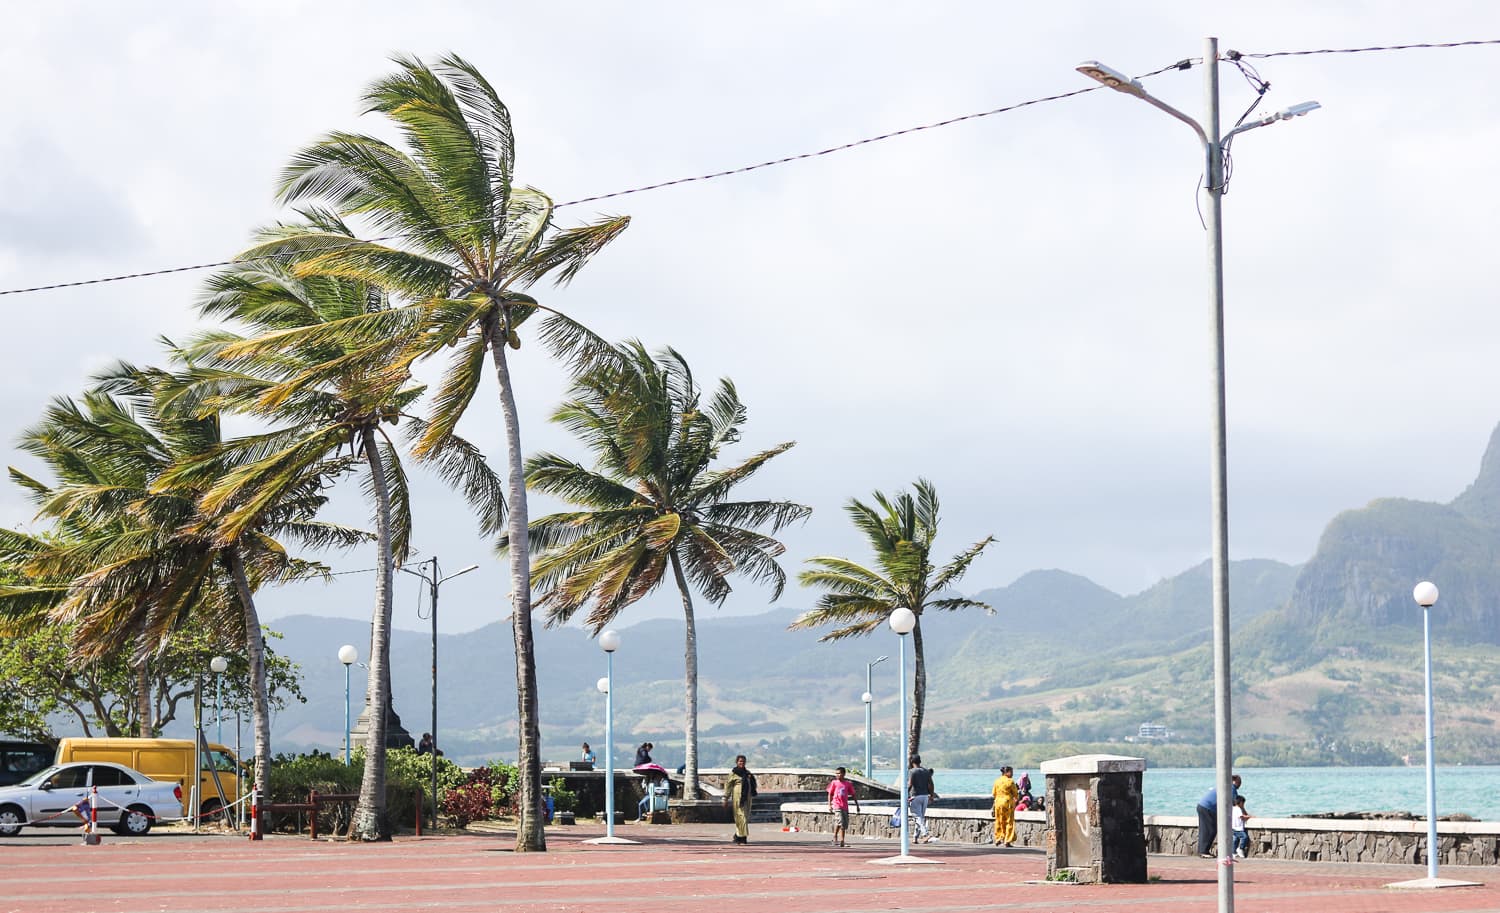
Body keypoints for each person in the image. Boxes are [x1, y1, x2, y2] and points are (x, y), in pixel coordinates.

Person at [1195, 774, 1241, 857]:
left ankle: (1202, 851)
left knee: (1205, 830)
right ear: (1235, 781)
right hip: (1208, 808)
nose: (1240, 784)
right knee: (1211, 830)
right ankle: (1204, 851)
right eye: (1239, 782)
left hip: (1202, 806)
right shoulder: (1231, 788)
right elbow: (1235, 803)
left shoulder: (1224, 785)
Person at [725, 754, 757, 844]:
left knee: (745, 817)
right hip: (738, 798)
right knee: (740, 816)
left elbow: (753, 784)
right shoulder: (733, 773)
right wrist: (725, 798)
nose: (741, 763)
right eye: (740, 761)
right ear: (736, 762)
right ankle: (743, 837)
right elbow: (728, 786)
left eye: (743, 761)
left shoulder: (747, 773)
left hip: (747, 798)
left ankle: (737, 835)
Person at [826, 766, 860, 847]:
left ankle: (835, 836)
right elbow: (830, 794)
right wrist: (829, 805)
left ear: (844, 774)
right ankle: (841, 840)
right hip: (837, 805)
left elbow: (853, 795)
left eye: (839, 773)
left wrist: (857, 805)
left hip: (844, 806)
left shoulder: (848, 784)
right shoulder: (834, 783)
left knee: (844, 824)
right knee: (840, 822)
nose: (837, 775)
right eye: (836, 773)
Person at [907, 755, 937, 843]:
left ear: (912, 762)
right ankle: (915, 837)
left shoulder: (912, 771)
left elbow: (910, 784)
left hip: (915, 797)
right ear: (920, 761)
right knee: (920, 818)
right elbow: (931, 784)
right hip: (925, 797)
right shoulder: (926, 771)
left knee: (917, 817)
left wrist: (905, 794)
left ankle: (926, 834)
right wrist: (931, 795)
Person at [991, 766, 1020, 847]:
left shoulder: (997, 781)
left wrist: (993, 807)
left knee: (999, 821)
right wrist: (1017, 798)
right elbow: (1015, 794)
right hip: (1007, 803)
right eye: (1011, 772)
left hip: (998, 803)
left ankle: (998, 838)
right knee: (1009, 821)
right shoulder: (1010, 781)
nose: (1012, 774)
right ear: (1007, 772)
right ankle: (1007, 840)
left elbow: (994, 794)